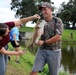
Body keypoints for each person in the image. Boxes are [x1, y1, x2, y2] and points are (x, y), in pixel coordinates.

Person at [29, 2, 63, 75]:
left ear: (51, 10)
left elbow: (58, 36)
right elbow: (36, 37)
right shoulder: (41, 21)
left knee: (54, 73)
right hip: (42, 50)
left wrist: (44, 42)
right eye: (42, 10)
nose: (43, 12)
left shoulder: (57, 21)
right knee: (34, 71)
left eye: (45, 9)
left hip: (55, 52)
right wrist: (36, 30)